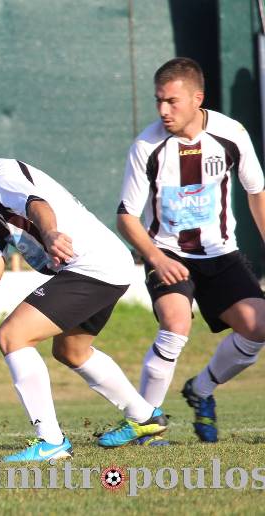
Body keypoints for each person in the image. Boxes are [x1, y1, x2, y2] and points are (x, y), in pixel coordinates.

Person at [0, 116, 169, 462]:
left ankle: (51, 441)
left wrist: (50, 232)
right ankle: (145, 417)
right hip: (105, 265)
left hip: (92, 266)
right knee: (71, 350)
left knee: (12, 336)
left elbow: (37, 204)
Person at [117, 57, 265, 444]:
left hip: (221, 254)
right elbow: (126, 217)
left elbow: (257, 193)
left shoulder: (231, 134)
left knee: (258, 328)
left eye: (172, 101)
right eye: (158, 101)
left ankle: (201, 389)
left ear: (197, 98)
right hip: (168, 254)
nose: (164, 110)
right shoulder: (147, 146)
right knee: (176, 324)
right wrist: (156, 258)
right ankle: (145, 427)